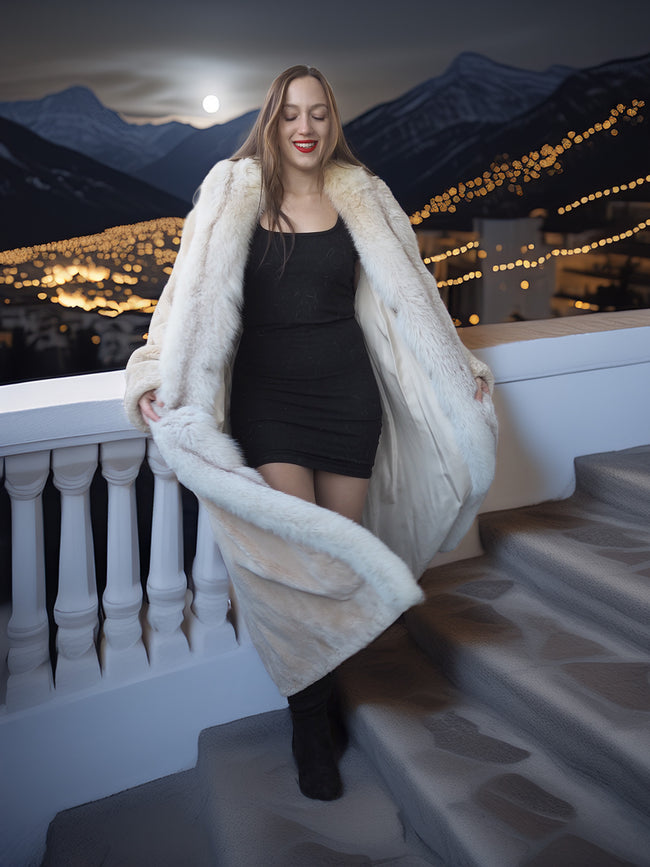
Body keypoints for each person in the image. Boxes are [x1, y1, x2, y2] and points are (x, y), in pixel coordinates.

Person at [124, 65, 497, 802]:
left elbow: (414, 297)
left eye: (319, 114)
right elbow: (183, 299)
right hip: (268, 404)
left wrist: (460, 367)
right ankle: (307, 722)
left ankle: (324, 695)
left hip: (349, 399)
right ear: (272, 121)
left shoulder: (364, 196)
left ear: (332, 124)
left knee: (336, 564)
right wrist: (149, 377)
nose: (305, 127)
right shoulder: (231, 193)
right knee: (299, 561)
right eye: (292, 113)